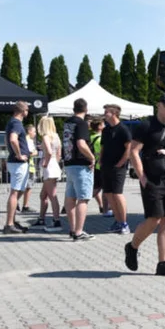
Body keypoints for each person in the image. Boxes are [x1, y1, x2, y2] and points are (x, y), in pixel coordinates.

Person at [125, 93, 165, 276]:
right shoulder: (146, 125)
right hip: (152, 179)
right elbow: (134, 151)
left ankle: (163, 263)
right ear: (159, 105)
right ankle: (132, 246)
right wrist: (142, 177)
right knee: (154, 218)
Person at [62, 98, 96, 241]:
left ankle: (72, 229)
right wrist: (92, 157)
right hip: (81, 165)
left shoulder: (68, 123)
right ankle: (79, 231)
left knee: (70, 198)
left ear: (73, 108)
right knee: (83, 199)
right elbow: (81, 143)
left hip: (69, 163)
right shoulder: (81, 124)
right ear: (86, 109)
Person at [100, 104, 132, 234]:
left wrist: (121, 162)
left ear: (114, 114)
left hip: (118, 167)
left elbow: (128, 148)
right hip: (106, 165)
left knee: (117, 194)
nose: (104, 114)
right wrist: (100, 160)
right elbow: (103, 147)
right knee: (108, 193)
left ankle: (124, 223)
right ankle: (118, 221)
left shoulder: (123, 129)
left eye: (106, 112)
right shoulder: (106, 130)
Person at [4, 101, 32, 232]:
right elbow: (12, 139)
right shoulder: (16, 123)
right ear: (23, 111)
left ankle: (12, 221)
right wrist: (19, 154)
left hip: (16, 162)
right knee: (15, 193)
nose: (28, 112)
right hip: (18, 163)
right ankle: (9, 224)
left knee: (19, 191)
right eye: (27, 109)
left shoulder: (11, 122)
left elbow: (7, 140)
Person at [32, 116, 63, 232]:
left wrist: (45, 162)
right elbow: (58, 153)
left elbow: (49, 152)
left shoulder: (45, 136)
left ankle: (56, 221)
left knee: (52, 196)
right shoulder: (56, 136)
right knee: (43, 195)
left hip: (49, 166)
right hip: (54, 165)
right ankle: (41, 219)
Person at [89, 118, 107, 216]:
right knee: (101, 188)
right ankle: (106, 208)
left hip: (95, 165)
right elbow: (101, 152)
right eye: (103, 124)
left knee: (97, 187)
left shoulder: (91, 137)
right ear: (99, 126)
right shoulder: (100, 139)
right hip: (101, 165)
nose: (105, 125)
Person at [19, 123, 38, 213]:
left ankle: (20, 204)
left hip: (27, 166)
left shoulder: (24, 139)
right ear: (29, 131)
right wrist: (36, 152)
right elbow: (31, 153)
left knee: (25, 187)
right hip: (29, 167)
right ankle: (25, 206)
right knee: (28, 187)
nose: (35, 133)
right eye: (34, 131)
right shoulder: (28, 140)